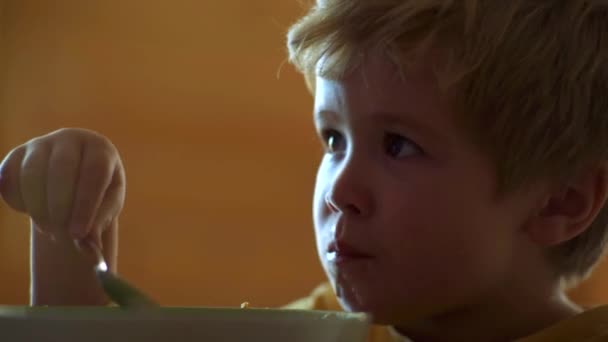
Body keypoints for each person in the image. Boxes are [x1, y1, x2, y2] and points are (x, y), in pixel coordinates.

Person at [2, 0, 608, 340]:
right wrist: (69, 226)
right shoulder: (313, 335)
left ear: (560, 201)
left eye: (398, 146)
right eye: (333, 139)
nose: (340, 190)